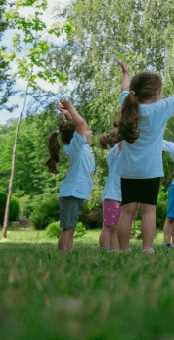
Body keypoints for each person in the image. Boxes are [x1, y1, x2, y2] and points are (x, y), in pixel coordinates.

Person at [115, 60, 174, 254]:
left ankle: (123, 249)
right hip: (150, 170)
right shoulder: (160, 108)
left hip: (127, 169)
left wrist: (125, 73)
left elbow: (125, 88)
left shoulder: (127, 104)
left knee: (127, 211)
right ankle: (147, 248)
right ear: (157, 93)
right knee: (148, 210)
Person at [47, 99, 94, 253]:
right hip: (72, 191)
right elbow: (79, 125)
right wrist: (71, 108)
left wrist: (67, 114)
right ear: (78, 135)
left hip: (76, 191)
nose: (90, 131)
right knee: (68, 227)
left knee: (70, 226)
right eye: (88, 130)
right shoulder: (76, 146)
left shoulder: (79, 146)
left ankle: (67, 252)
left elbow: (75, 126)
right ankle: (64, 254)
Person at [98, 123, 123, 252]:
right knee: (109, 225)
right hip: (112, 193)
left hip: (116, 193)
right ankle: (103, 251)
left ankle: (113, 250)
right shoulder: (115, 151)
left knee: (115, 225)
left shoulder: (115, 152)